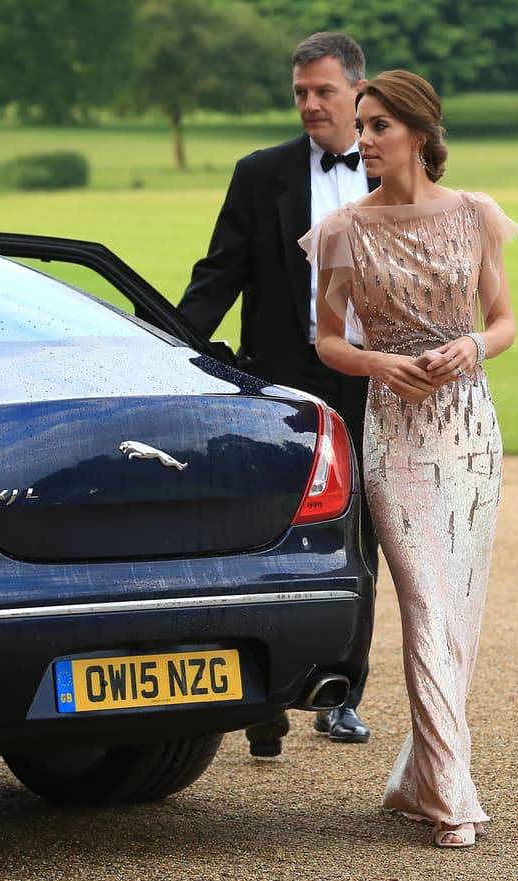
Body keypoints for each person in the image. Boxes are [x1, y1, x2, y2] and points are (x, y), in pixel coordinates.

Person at [301, 70, 518, 848]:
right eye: (360, 125)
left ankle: (418, 776)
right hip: (392, 432)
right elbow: (327, 338)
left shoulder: (476, 215)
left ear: (420, 135)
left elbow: (502, 322)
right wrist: (376, 365)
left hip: (469, 432)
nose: (362, 139)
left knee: (459, 613)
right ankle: (452, 799)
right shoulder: (340, 230)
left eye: (378, 126)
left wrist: (471, 346)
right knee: (426, 602)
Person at [178, 32, 378, 755]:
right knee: (267, 536)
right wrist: (164, 346)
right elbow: (218, 276)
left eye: (323, 91)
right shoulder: (260, 174)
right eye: (300, 92)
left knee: (362, 538)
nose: (309, 105)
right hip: (284, 386)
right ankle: (261, 700)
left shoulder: (395, 172)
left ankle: (342, 692)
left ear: (360, 91)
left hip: (371, 383)